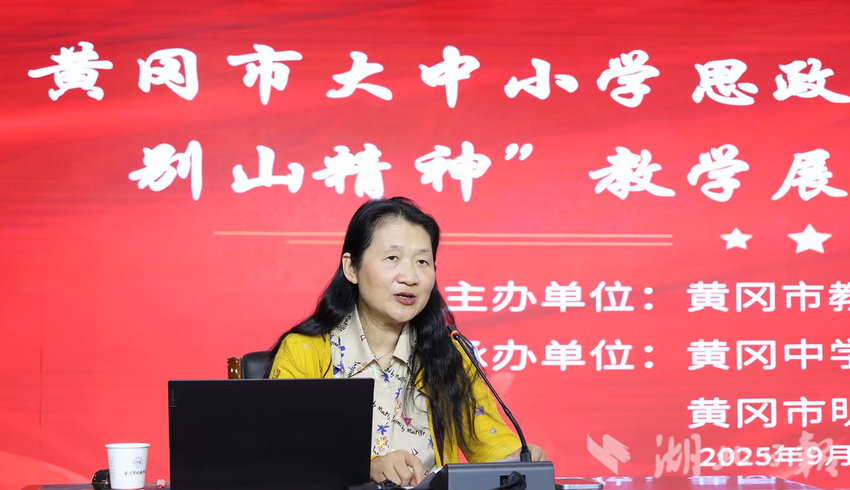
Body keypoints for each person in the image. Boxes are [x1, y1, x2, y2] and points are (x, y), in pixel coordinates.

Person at [265, 197, 546, 486]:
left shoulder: (449, 355)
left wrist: (518, 459)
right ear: (351, 268)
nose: (410, 277)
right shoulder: (306, 351)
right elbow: (281, 456)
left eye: (422, 262)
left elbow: (490, 443)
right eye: (392, 258)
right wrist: (366, 466)